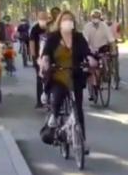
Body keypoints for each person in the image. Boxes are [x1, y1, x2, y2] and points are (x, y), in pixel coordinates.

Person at [40, 11, 96, 152]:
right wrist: (46, 61)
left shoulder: (78, 37)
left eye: (70, 20)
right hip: (57, 75)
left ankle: (81, 141)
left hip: (74, 75)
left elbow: (86, 51)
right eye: (65, 20)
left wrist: (90, 58)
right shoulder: (53, 37)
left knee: (78, 109)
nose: (68, 22)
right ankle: (54, 116)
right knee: (57, 96)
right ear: (59, 22)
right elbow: (46, 53)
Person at [30, 11, 50, 108]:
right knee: (40, 78)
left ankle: (51, 97)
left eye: (45, 18)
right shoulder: (35, 29)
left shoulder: (51, 28)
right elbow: (32, 43)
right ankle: (39, 101)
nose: (43, 20)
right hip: (39, 57)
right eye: (41, 18)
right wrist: (34, 57)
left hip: (50, 56)